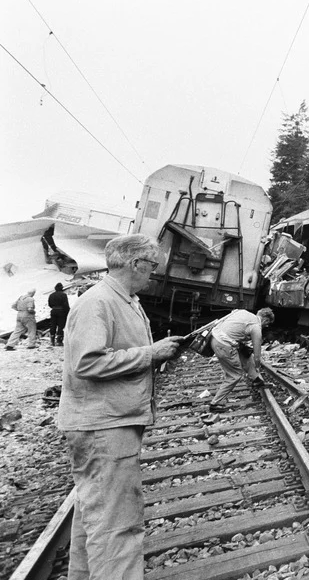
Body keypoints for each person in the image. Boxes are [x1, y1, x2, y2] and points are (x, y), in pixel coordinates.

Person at [57, 234, 184, 580]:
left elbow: (118, 355)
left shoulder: (124, 300)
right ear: (135, 264)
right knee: (119, 526)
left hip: (110, 420)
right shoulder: (97, 302)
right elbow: (87, 363)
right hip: (102, 426)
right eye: (152, 266)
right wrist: (150, 354)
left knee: (94, 517)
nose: (153, 274)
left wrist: (157, 354)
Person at [208, 307, 274, 413]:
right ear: (265, 320)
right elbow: (257, 355)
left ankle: (256, 380)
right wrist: (257, 366)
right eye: (267, 324)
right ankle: (215, 404)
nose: (266, 326)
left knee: (245, 353)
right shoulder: (256, 327)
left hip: (214, 338)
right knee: (234, 375)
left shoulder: (244, 312)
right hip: (223, 345)